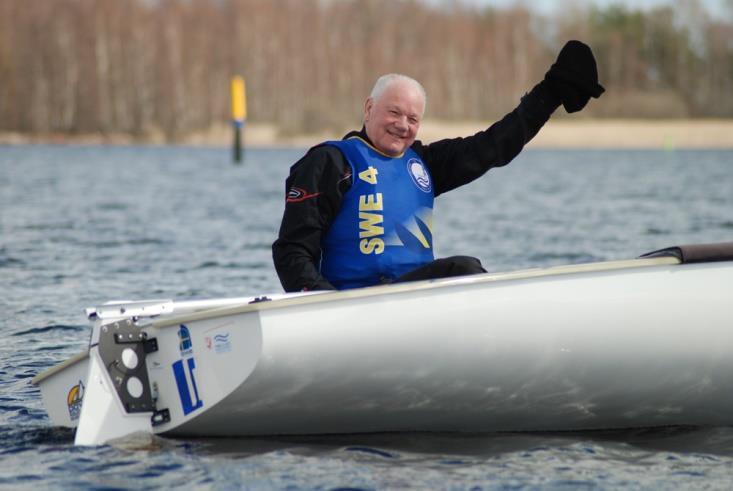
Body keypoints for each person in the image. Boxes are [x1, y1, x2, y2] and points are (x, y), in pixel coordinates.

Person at [273, 40, 604, 292]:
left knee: (462, 270)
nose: (402, 125)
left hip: (416, 303)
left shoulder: (424, 164)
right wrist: (322, 307)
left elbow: (493, 146)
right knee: (462, 268)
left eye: (412, 118)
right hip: (353, 306)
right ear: (369, 108)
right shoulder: (330, 163)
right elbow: (293, 249)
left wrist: (550, 94)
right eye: (394, 112)